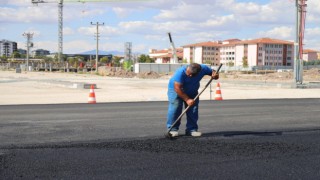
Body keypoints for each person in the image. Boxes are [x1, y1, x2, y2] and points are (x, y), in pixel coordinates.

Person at [166, 63, 219, 137]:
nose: (190, 76)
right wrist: (187, 99)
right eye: (188, 74)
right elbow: (177, 88)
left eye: (192, 74)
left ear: (199, 72)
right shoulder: (180, 73)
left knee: (193, 109)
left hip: (192, 90)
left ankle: (191, 130)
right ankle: (172, 130)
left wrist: (215, 75)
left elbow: (214, 73)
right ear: (188, 68)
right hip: (176, 90)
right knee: (176, 108)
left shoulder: (204, 69)